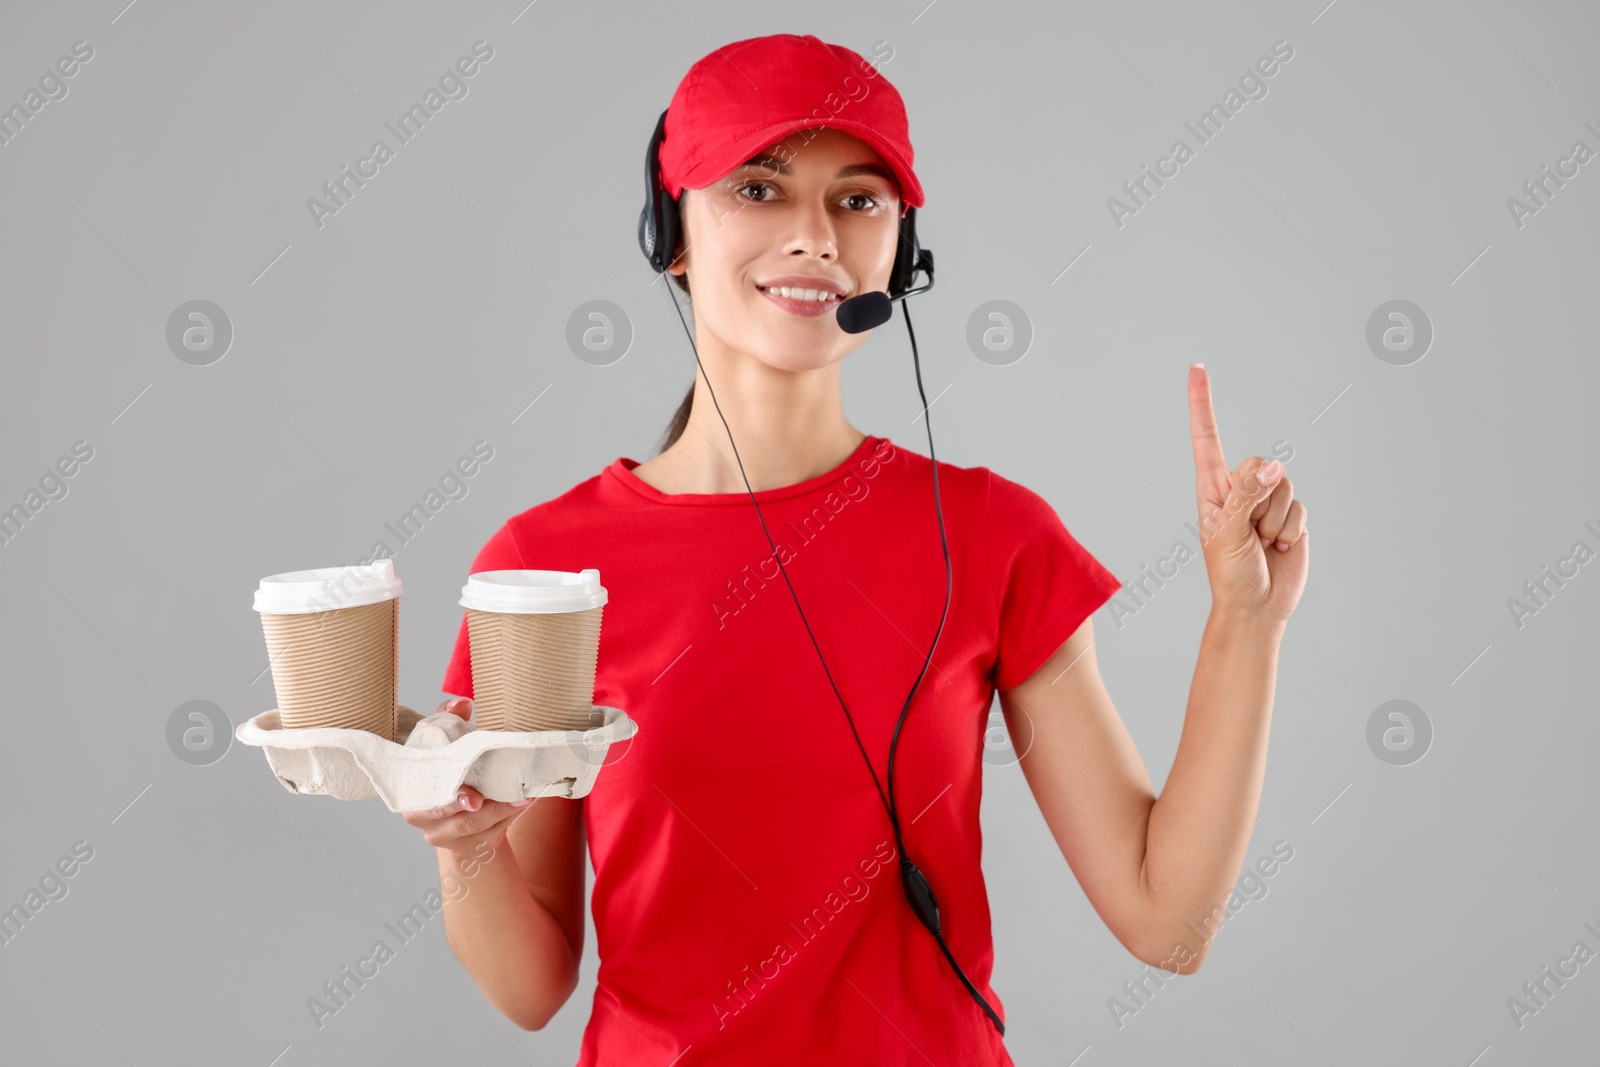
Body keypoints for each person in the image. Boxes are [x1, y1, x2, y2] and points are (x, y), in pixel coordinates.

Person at [403, 33, 1309, 1066]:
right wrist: (465, 850)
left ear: (900, 253)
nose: (813, 237)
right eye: (757, 187)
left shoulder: (990, 536)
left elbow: (1169, 922)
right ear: (673, 233)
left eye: (859, 199)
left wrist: (1247, 622)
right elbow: (530, 989)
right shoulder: (547, 564)